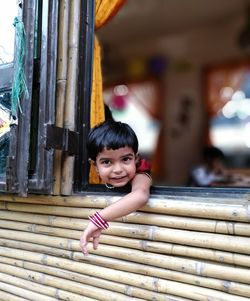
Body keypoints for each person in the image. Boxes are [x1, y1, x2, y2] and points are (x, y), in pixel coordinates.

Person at [80, 120, 152, 256]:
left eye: (125, 159)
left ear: (136, 159)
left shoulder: (141, 173)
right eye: (107, 162)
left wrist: (98, 219)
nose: (118, 169)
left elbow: (140, 196)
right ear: (94, 165)